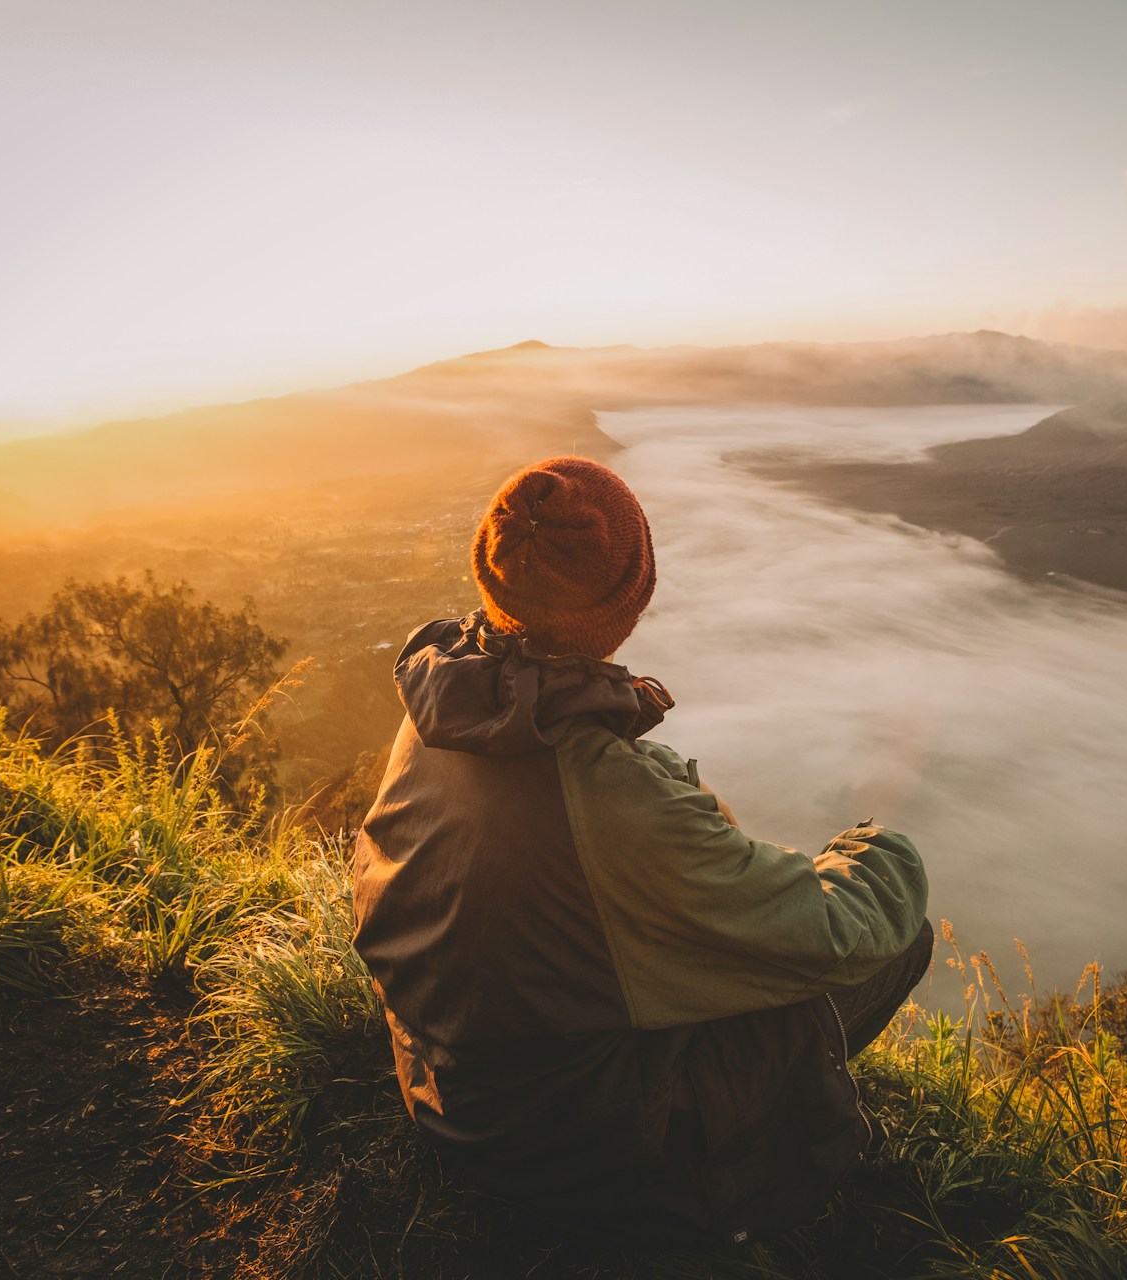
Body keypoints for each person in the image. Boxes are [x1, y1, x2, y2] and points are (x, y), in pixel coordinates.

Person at [351, 455, 932, 1245]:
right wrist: (878, 841)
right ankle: (757, 1168)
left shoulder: (444, 706)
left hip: (449, 1093)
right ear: (632, 594)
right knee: (896, 938)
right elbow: (833, 931)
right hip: (566, 1153)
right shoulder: (606, 793)